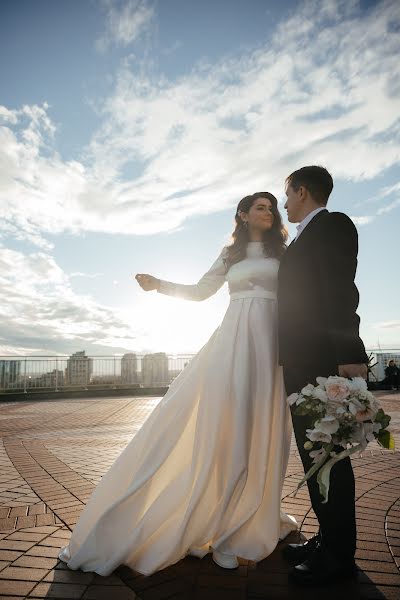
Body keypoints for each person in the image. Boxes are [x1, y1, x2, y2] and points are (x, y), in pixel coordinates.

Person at [58, 192, 298, 577]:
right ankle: (220, 514)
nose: (269, 212)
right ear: (242, 213)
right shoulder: (229, 254)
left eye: (272, 207)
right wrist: (160, 285)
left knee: (266, 426)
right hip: (234, 343)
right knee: (226, 425)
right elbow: (201, 292)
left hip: (272, 344)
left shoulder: (284, 254)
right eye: (260, 207)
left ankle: (256, 514)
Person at [278, 165, 368, 585]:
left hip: (322, 362)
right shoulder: (302, 237)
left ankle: (338, 555)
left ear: (301, 191)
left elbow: (340, 289)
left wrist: (350, 351)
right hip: (301, 363)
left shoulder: (333, 226)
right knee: (314, 456)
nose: (284, 204)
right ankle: (326, 538)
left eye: (287, 194)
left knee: (329, 457)